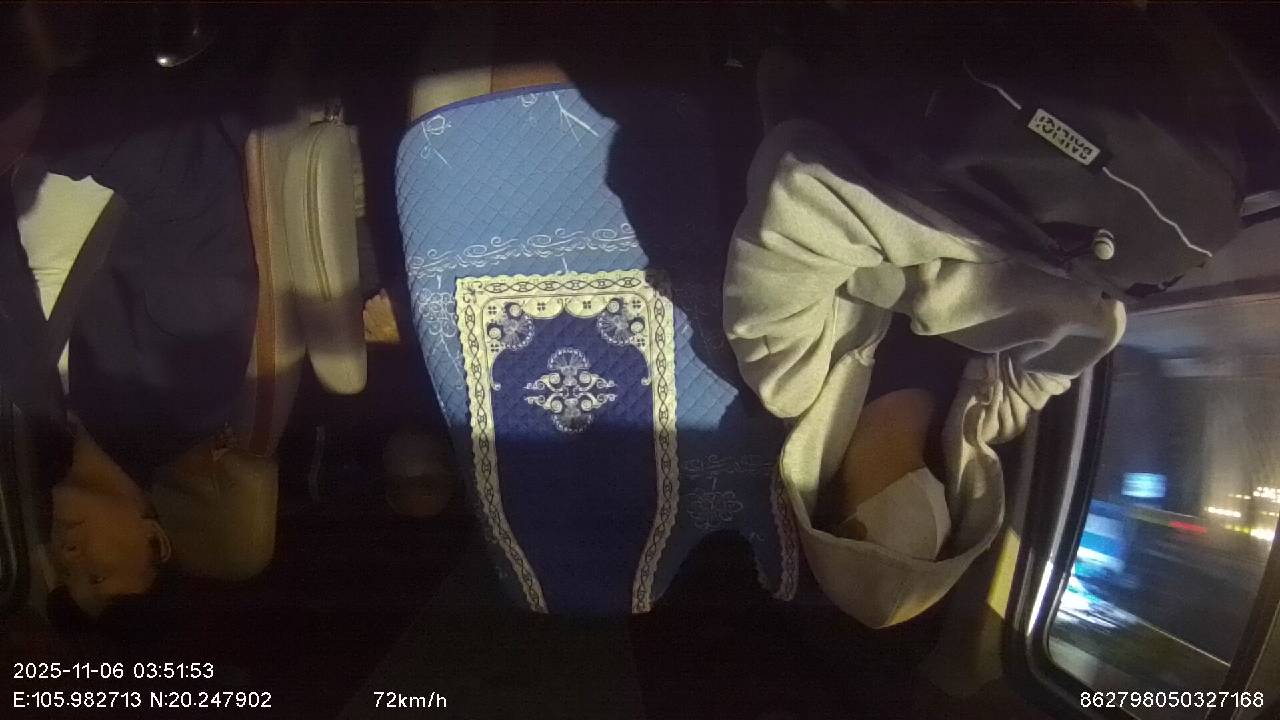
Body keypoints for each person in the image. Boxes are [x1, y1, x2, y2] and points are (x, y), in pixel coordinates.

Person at [4, 22, 257, 618]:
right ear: (154, 541)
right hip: (84, 56)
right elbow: (194, 184)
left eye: (68, 573)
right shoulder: (186, 390)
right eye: (99, 572)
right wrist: (34, 125)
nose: (69, 554)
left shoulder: (44, 411)